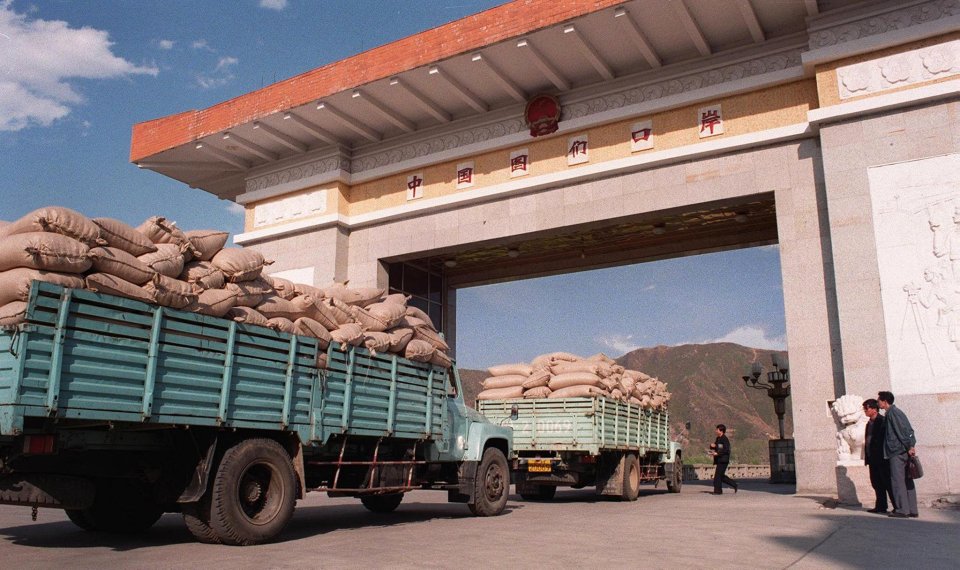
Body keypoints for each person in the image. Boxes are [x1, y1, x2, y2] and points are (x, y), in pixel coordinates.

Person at [877, 391, 918, 518]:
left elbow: (902, 431)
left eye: (879, 400)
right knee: (907, 479)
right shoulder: (896, 412)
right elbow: (908, 430)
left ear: (885, 401)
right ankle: (911, 509)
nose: (878, 402)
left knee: (897, 480)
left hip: (897, 451)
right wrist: (910, 445)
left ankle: (902, 510)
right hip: (902, 450)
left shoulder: (892, 413)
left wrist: (909, 445)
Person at [862, 399, 895, 514]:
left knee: (887, 483)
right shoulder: (868, 423)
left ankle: (897, 506)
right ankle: (881, 506)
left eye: (867, 408)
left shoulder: (882, 421)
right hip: (872, 459)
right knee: (876, 483)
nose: (865, 411)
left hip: (882, 458)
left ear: (874, 409)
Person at [709, 424, 738, 495]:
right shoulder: (718, 438)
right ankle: (734, 484)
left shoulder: (725, 439)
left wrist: (717, 454)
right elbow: (717, 447)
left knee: (717, 477)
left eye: (717, 429)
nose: (716, 431)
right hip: (719, 460)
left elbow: (726, 450)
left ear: (721, 431)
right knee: (721, 476)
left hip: (723, 460)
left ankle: (718, 491)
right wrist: (712, 446)